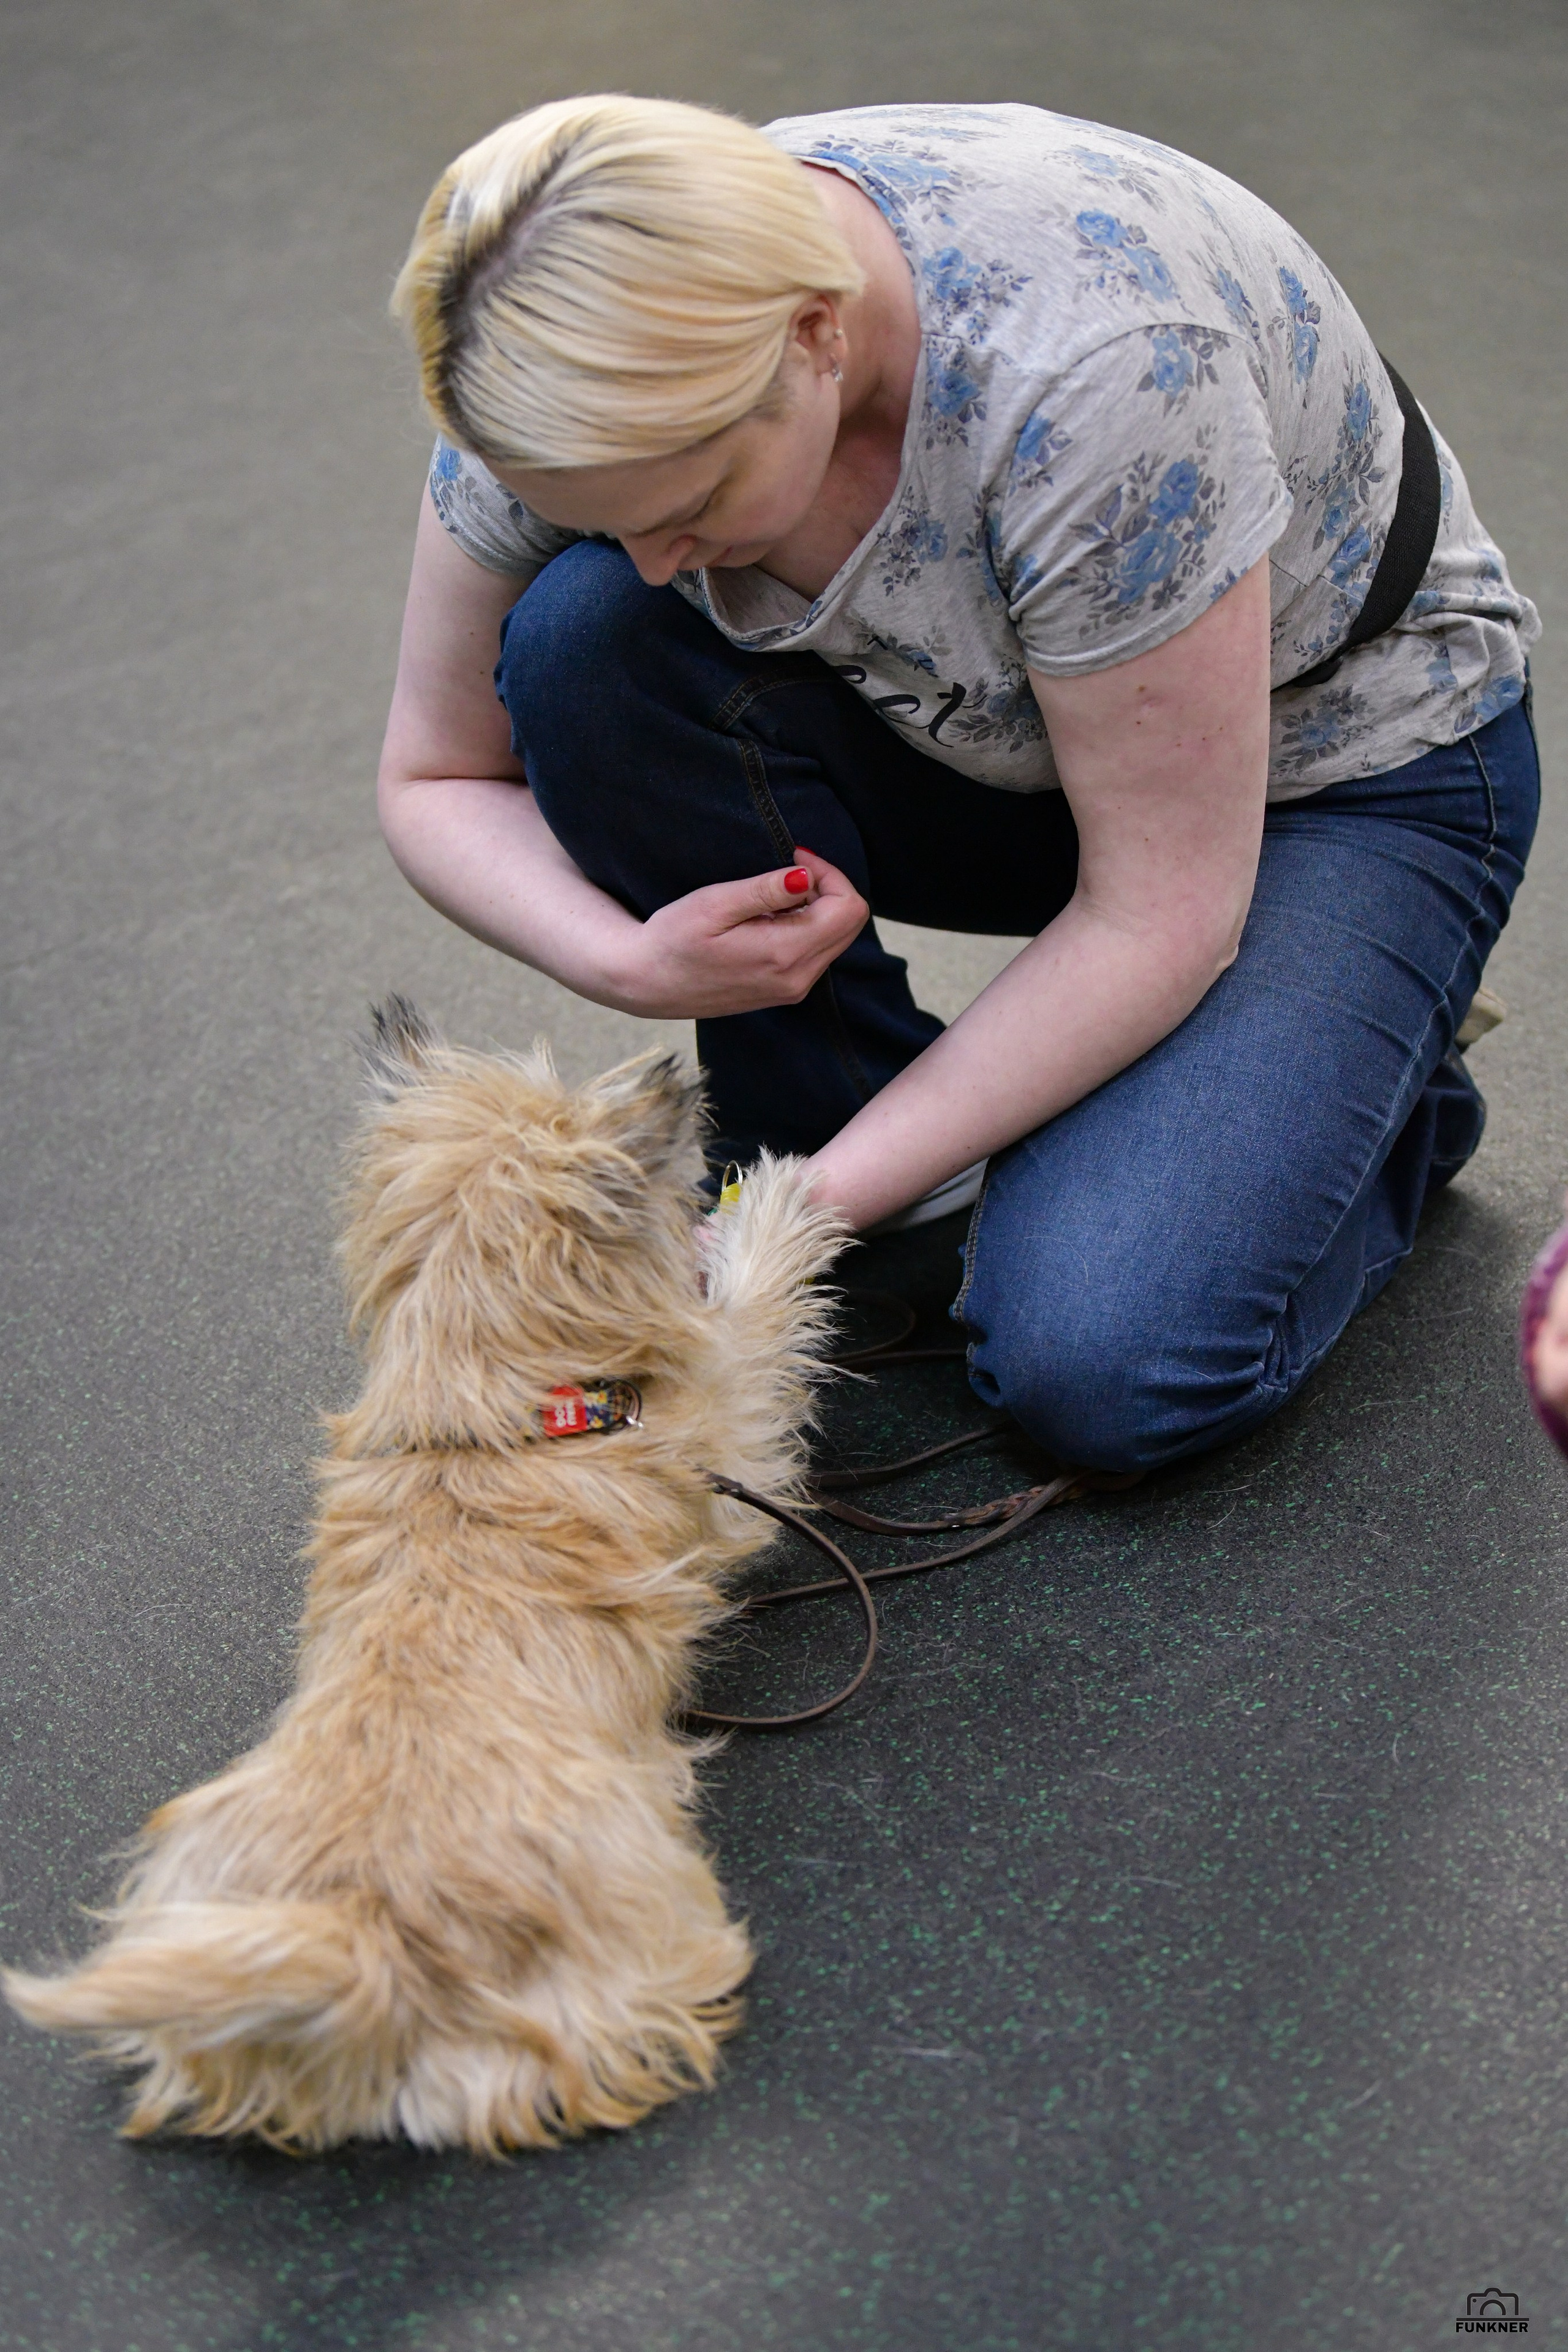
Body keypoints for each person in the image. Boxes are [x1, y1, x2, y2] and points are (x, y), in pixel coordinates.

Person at [378, 95, 1540, 1474]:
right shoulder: (555, 349)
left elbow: (1156, 914)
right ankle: (889, 1162)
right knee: (581, 642)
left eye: (687, 505)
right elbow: (433, 772)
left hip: (1332, 778)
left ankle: (1373, 1073)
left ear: (816, 335)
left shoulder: (1096, 373)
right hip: (1009, 745)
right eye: (599, 513)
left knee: (1104, 1368)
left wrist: (779, 1222)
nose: (647, 558)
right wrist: (627, 963)